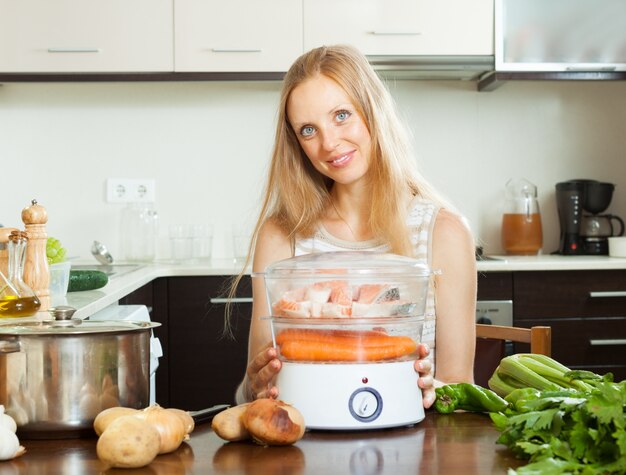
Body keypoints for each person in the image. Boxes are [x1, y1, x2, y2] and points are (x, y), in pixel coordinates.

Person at [232, 44, 476, 409]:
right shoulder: (283, 235)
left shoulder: (443, 233)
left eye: (342, 115)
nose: (329, 143)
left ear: (373, 112)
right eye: (308, 129)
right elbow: (249, 392)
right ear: (296, 143)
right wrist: (254, 386)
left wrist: (434, 389)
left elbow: (460, 389)